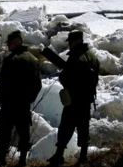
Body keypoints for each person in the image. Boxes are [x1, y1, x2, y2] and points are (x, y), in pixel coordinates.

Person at [48, 31, 100, 167]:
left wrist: (63, 74)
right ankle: (83, 155)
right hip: (86, 98)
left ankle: (59, 155)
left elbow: (66, 77)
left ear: (77, 41)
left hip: (75, 98)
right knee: (83, 126)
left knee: (66, 125)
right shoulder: (91, 56)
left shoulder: (76, 56)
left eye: (71, 42)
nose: (69, 44)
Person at [0, 30, 42, 167]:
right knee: (24, 132)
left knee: (5, 132)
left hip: (9, 104)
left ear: (18, 42)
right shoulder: (33, 60)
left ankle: (2, 159)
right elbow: (37, 84)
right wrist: (28, 99)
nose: (8, 46)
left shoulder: (10, 60)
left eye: (10, 43)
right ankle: (22, 160)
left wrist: (1, 99)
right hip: (23, 104)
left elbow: (3, 83)